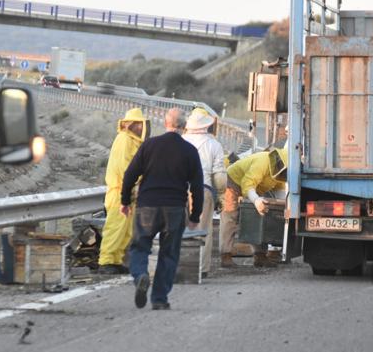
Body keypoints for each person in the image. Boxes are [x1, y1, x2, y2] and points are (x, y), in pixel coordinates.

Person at [120, 108, 204, 310]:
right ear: (184, 128)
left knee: (140, 247)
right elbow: (197, 186)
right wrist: (195, 214)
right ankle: (159, 299)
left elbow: (130, 175)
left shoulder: (149, 145)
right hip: (174, 209)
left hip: (147, 206)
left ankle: (140, 275)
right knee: (169, 254)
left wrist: (124, 201)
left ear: (166, 123)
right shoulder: (190, 151)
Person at [98, 108, 150, 275]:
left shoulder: (134, 142)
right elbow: (125, 168)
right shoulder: (124, 140)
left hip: (129, 193)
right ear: (133, 124)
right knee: (115, 228)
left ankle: (116, 260)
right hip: (120, 192)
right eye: (140, 124)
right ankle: (106, 261)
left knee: (126, 230)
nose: (142, 128)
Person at [220, 148, 288, 268]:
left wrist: (285, 206)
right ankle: (226, 255)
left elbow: (280, 194)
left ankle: (260, 256)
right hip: (233, 180)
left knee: (260, 217)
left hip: (254, 187)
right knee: (230, 216)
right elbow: (247, 184)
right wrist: (256, 200)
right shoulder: (262, 162)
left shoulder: (280, 173)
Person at [182, 108, 226, 277]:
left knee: (179, 228)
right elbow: (220, 176)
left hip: (178, 189)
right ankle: (201, 269)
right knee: (202, 229)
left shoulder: (181, 140)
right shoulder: (214, 144)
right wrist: (221, 195)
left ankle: (179, 265)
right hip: (202, 189)